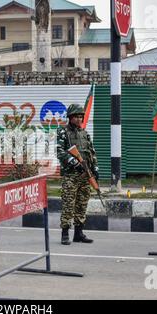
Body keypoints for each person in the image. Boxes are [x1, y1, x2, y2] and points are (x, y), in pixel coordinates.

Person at [57, 104, 99, 245]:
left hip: (85, 175)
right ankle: (65, 233)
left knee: (82, 204)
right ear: (70, 118)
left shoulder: (84, 133)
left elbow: (91, 152)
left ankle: (79, 233)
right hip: (71, 175)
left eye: (81, 116)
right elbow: (60, 152)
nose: (79, 119)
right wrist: (74, 162)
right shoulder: (63, 132)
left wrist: (95, 169)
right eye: (76, 116)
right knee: (69, 204)